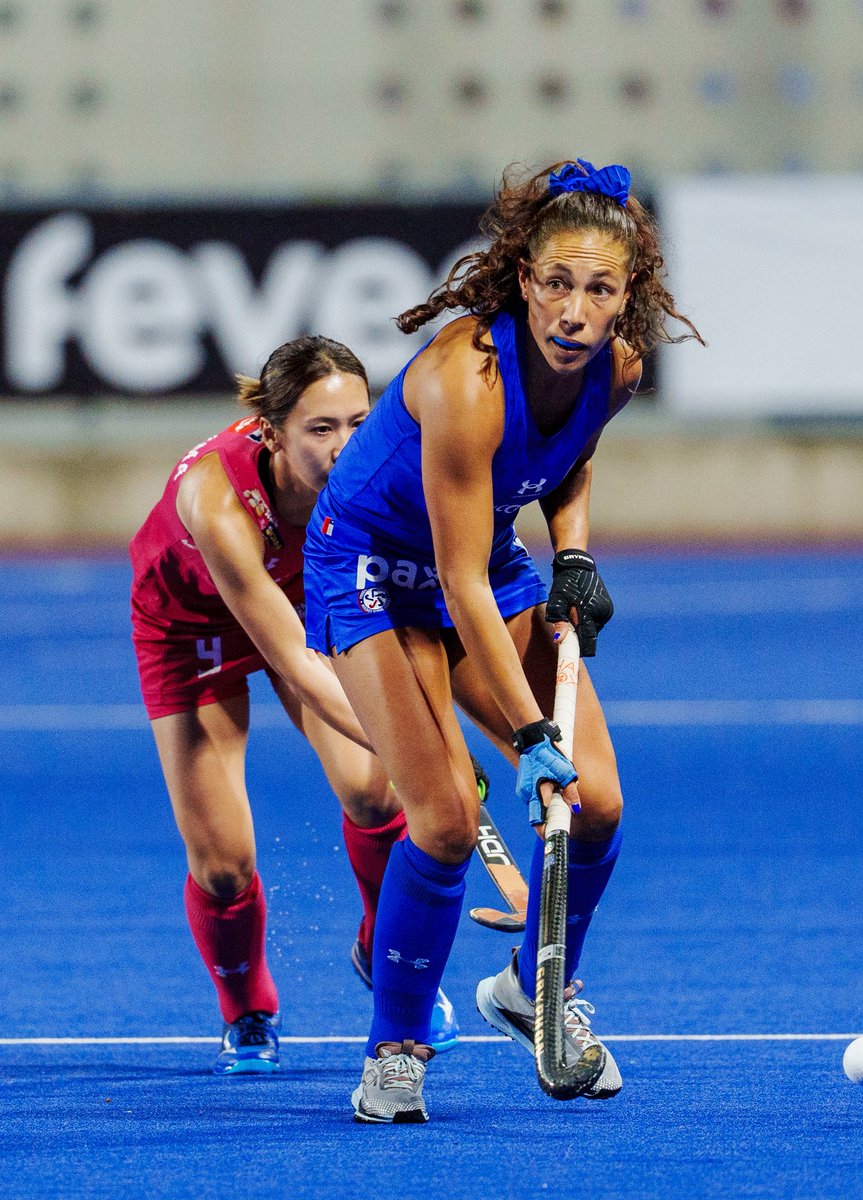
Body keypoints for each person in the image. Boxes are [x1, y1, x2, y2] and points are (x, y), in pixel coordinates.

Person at [302, 158, 702, 1122]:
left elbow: (572, 458)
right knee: (441, 825)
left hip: (483, 559)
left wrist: (573, 557)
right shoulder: (464, 380)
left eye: (598, 289)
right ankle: (394, 1054)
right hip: (377, 569)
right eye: (556, 282)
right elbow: (455, 583)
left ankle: (530, 988)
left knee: (598, 805)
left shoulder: (618, 365)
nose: (573, 309)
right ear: (524, 278)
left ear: (626, 297)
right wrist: (528, 735)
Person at [129, 336, 461, 1075]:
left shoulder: (381, 470)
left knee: (376, 791)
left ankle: (386, 950)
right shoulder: (219, 505)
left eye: (357, 422)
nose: (347, 446)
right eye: (321, 429)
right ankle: (247, 1010)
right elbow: (294, 661)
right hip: (192, 629)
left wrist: (421, 742)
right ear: (273, 434)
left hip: (310, 597)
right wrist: (416, 748)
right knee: (222, 864)